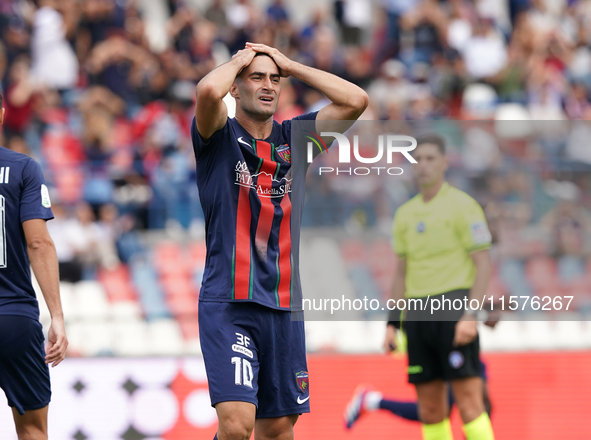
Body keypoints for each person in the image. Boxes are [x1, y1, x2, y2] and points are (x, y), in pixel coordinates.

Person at [192, 42, 368, 440]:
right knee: (237, 425)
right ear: (235, 88)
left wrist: (291, 64)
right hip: (229, 301)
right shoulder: (219, 135)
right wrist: (240, 60)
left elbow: (356, 100)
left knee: (278, 429)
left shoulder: (297, 138)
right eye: (256, 78)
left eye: (274, 79)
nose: (268, 85)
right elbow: (206, 92)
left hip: (285, 304)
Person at [346, 134, 494, 440]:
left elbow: (483, 265)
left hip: (454, 309)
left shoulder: (463, 206)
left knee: (469, 403)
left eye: (430, 159)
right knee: (429, 409)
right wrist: (391, 324)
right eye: (419, 160)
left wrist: (470, 315)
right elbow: (401, 272)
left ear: (444, 164)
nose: (424, 166)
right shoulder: (405, 214)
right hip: (416, 314)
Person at [0, 90, 68, 439]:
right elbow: (38, 241)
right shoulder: (23, 167)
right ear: (1, 114)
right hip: (13, 318)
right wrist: (56, 315)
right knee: (32, 431)